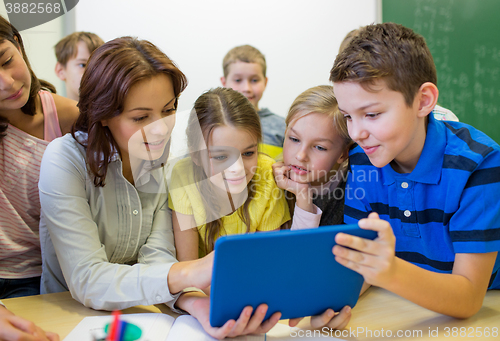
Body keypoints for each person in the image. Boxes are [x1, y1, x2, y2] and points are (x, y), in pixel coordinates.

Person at [39, 37, 280, 339]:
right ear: (101, 115)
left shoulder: (159, 160)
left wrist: (196, 305)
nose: (161, 129)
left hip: (145, 311)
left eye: (168, 110)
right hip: (65, 314)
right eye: (141, 117)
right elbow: (87, 278)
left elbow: (158, 256)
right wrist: (192, 272)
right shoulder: (63, 161)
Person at [330, 22, 500, 318]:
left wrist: (389, 270)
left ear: (423, 101)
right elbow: (360, 267)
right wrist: (330, 304)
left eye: (371, 114)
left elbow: (469, 297)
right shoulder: (362, 160)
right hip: (399, 304)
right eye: (348, 116)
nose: (356, 132)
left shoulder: (479, 163)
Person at [0, 14, 78, 341]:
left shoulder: (69, 115)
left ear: (18, 44)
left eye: (6, 61)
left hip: (47, 275)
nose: (6, 82)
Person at [169, 87, 290, 261]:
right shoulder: (183, 175)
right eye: (221, 157)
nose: (237, 168)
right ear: (196, 155)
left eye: (248, 153)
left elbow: (265, 262)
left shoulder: (266, 172)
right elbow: (188, 268)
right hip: (202, 284)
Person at [221, 45, 286, 159]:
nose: (246, 88)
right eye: (238, 80)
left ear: (265, 82)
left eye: (254, 80)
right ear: (224, 82)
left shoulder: (283, 127)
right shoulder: (211, 123)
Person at [54, 31, 104, 101]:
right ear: (60, 70)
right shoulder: (49, 111)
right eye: (83, 65)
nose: (93, 72)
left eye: (98, 65)